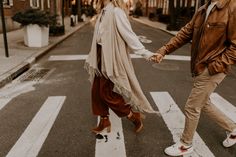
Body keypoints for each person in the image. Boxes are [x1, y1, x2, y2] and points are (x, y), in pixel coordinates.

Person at [149, 0, 236, 156]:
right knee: (204, 103)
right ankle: (233, 129)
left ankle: (185, 145)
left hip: (213, 68)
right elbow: (184, 33)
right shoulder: (203, 9)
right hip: (201, 67)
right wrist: (163, 50)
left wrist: (215, 66)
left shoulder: (232, 7)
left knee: (192, 106)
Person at [84, 0, 154, 134]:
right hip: (100, 56)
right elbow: (100, 37)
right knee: (96, 92)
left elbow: (129, 36)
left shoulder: (116, 12)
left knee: (106, 93)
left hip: (110, 58)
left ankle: (132, 115)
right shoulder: (103, 12)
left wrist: (146, 53)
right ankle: (104, 120)